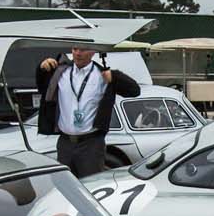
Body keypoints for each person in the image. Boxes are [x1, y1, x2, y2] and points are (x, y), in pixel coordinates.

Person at [36, 45, 141, 178]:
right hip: (65, 143)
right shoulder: (60, 72)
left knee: (91, 187)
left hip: (91, 144)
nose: (78, 53)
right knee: (66, 187)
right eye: (75, 49)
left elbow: (135, 91)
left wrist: (115, 77)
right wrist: (41, 68)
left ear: (93, 52)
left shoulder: (101, 75)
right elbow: (41, 87)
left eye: (83, 50)